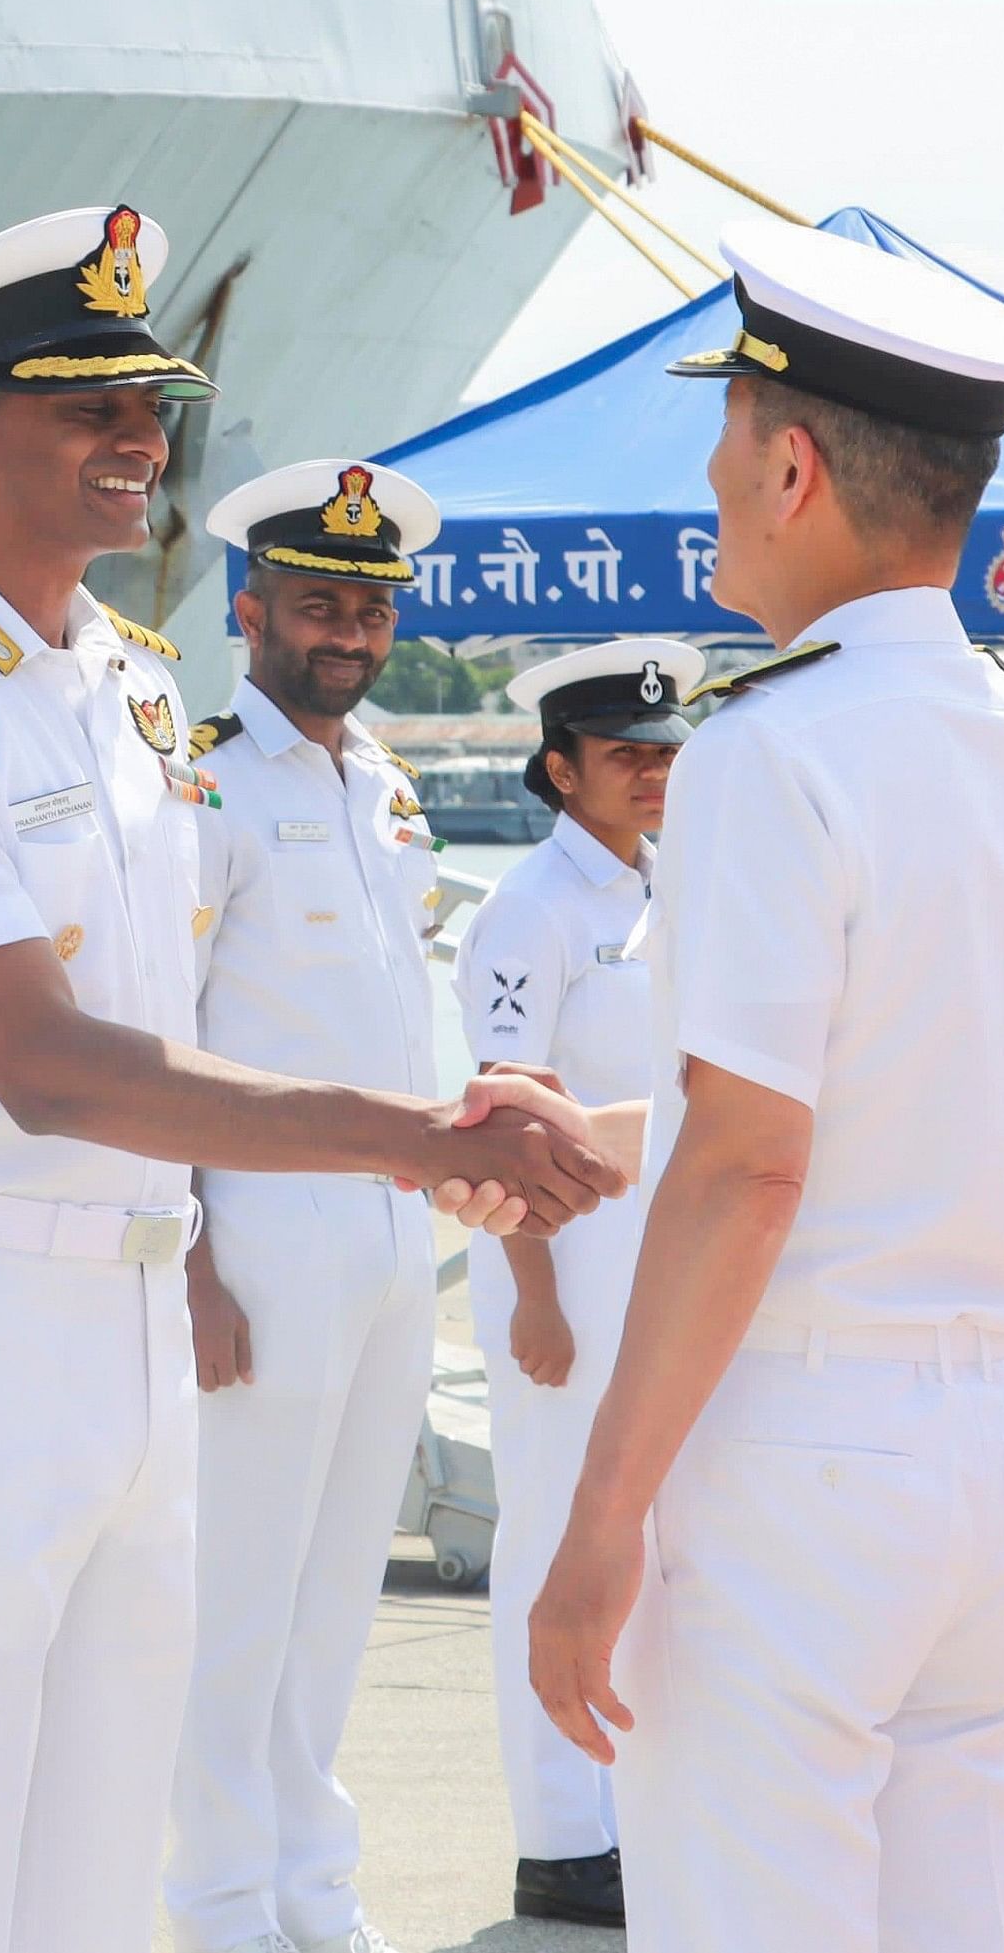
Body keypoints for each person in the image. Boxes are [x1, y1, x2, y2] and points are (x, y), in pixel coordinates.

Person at [0, 203, 621, 1953]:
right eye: (89, 407)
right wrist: (409, 1138)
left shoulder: (131, 693)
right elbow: (36, 1057)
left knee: (95, 1843)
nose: (138, 441)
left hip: (129, 1320)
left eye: (146, 406)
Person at [527, 216, 1004, 1952]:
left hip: (791, 1453)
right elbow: (912, 1097)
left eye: (723, 448)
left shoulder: (768, 751)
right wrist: (604, 1137)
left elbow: (755, 1167)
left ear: (793, 465)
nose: (709, 486)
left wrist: (601, 1517)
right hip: (971, 1446)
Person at [160, 456, 449, 1953]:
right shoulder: (199, 780)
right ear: (249, 606)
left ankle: (308, 1897)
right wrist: (190, 1260)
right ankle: (217, 1909)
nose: (346, 629)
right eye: (317, 601)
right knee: (235, 1599)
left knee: (335, 1590)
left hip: (392, 1225)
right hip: (260, 1228)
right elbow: (160, 1021)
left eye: (367, 603)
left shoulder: (381, 785)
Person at [451, 633, 706, 1933]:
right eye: (623, 756)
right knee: (550, 1543)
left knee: (644, 1545)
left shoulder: (668, 893)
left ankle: (628, 1815)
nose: (652, 773)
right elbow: (495, 1118)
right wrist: (531, 1293)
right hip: (557, 1277)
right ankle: (560, 1838)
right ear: (559, 769)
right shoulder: (527, 912)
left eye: (664, 751)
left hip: (652, 1278)